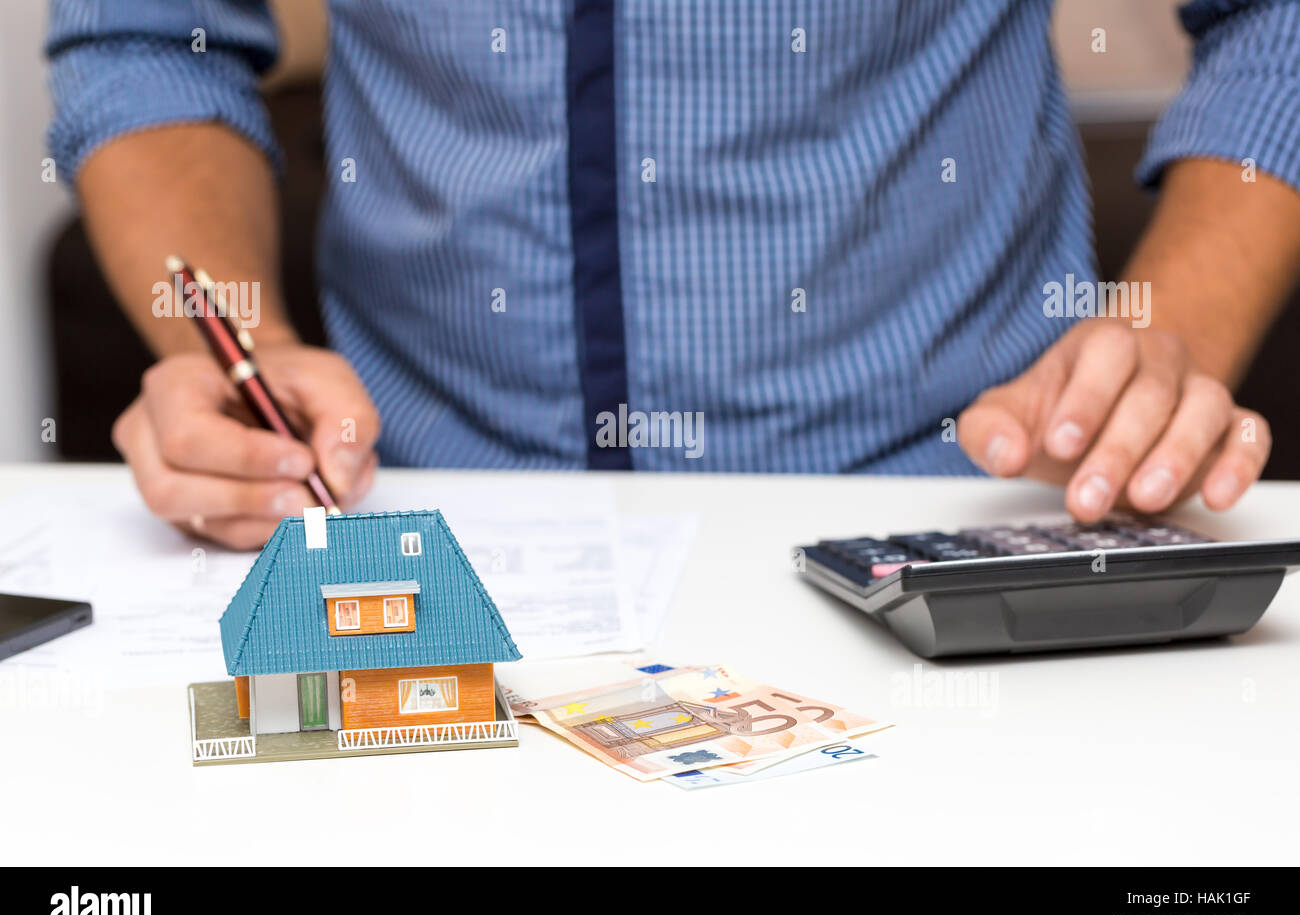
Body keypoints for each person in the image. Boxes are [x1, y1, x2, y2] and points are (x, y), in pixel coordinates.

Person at [47, 0, 1300, 549]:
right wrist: (235, 353)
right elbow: (150, 33)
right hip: (415, 519)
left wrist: (1167, 334)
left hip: (962, 515)